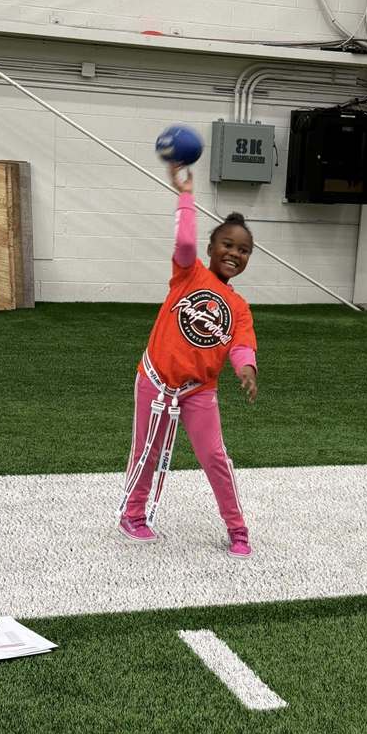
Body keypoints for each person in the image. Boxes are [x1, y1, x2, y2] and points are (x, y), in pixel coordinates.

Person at [118, 163, 258, 558]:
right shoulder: (188, 273)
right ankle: (133, 514)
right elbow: (183, 242)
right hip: (157, 380)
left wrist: (246, 367)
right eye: (227, 245)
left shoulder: (240, 306)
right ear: (211, 248)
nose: (234, 253)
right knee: (147, 447)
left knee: (216, 457)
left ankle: (237, 527)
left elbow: (241, 344)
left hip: (199, 390)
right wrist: (186, 196)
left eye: (243, 250)